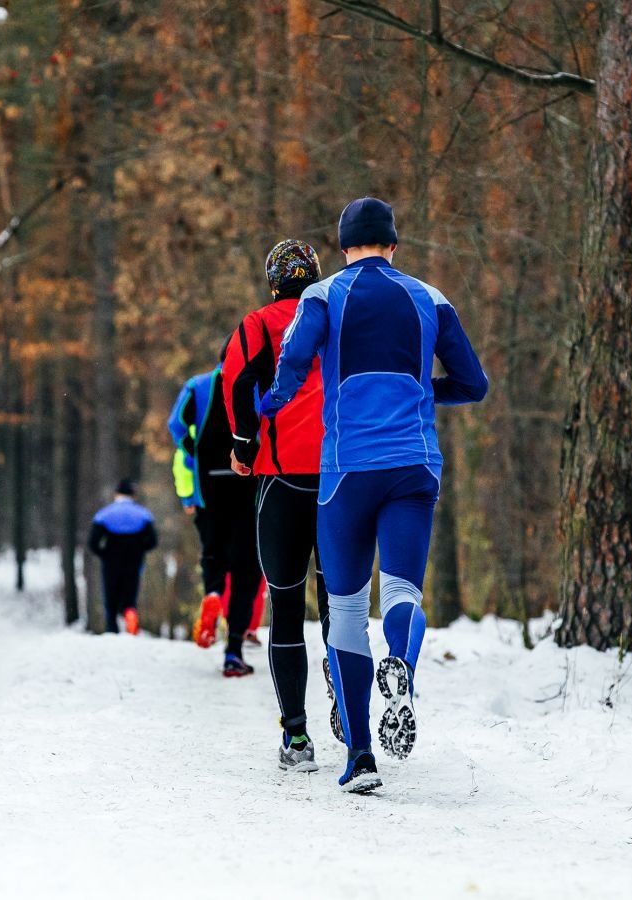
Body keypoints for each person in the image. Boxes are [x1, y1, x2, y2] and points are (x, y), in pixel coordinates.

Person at [259, 198, 488, 793]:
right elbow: (474, 383)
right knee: (403, 591)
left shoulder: (324, 295)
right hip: (414, 466)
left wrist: (273, 404)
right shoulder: (430, 297)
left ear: (342, 246)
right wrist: (421, 394)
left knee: (348, 611)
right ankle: (402, 673)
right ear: (394, 242)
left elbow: (294, 361)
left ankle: (360, 756)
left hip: (346, 472)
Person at [223, 238, 334, 773]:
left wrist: (244, 445)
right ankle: (351, 716)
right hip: (341, 474)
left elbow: (237, 382)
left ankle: (297, 738)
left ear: (272, 281)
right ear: (315, 275)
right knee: (342, 602)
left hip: (282, 476)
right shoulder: (336, 312)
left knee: (286, 606)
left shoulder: (258, 324)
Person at [168, 358, 264, 676]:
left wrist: (194, 449)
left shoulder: (197, 386)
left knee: (213, 552)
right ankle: (233, 649)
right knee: (247, 567)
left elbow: (176, 424)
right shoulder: (256, 382)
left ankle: (212, 592)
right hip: (248, 482)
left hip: (208, 483)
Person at [87, 479, 157, 636]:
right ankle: (130, 614)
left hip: (111, 558)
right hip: (134, 558)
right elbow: (152, 541)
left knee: (110, 595)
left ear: (116, 494)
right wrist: (139, 549)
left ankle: (112, 629)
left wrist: (104, 554)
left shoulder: (104, 514)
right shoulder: (143, 514)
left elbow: (93, 543)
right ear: (133, 495)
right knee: (130, 593)